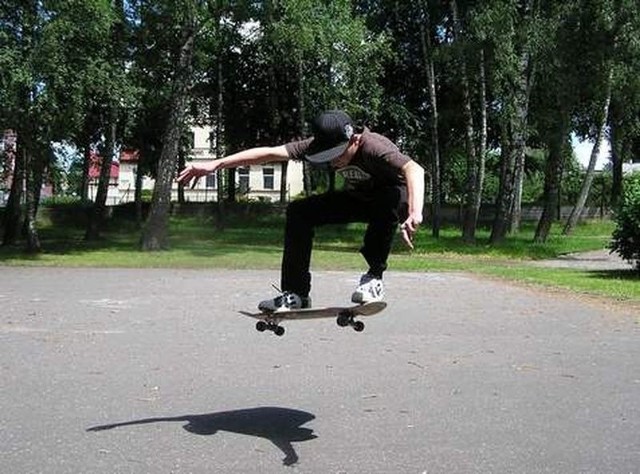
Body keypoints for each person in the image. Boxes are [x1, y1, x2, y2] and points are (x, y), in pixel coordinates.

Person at [177, 110, 425, 311]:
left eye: (338, 154)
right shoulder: (316, 146)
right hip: (361, 199)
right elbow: (269, 153)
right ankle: (296, 293)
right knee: (299, 212)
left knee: (388, 197)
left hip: (397, 198)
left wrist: (415, 212)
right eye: (329, 156)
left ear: (355, 139)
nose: (334, 161)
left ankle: (374, 279)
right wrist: (215, 164)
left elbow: (414, 170)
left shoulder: (373, 146)